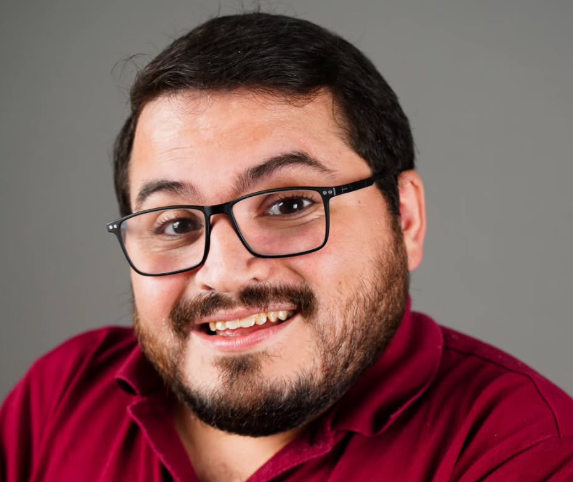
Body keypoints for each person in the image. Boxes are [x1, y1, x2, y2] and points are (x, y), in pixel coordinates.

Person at [1, 12, 572, 482]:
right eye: (175, 224)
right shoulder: (61, 398)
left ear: (405, 218)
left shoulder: (527, 450)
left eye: (289, 205)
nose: (224, 272)